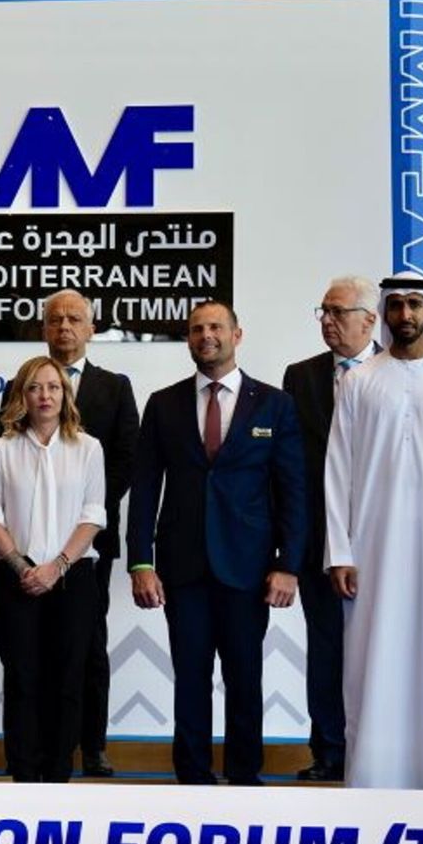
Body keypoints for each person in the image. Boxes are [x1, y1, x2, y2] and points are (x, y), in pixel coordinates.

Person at [127, 300, 306, 786]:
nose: (206, 335)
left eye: (215, 327)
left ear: (236, 335)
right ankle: (193, 780)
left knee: (245, 677)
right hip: (182, 568)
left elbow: (293, 490)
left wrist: (288, 564)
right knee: (190, 678)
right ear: (188, 339)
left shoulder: (274, 404)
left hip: (249, 569)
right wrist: (141, 562)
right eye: (196, 329)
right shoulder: (163, 404)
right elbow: (144, 488)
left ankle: (245, 779)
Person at [325, 272, 423, 789]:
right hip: (373, 551)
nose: (405, 314)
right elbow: (338, 470)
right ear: (383, 313)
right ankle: (374, 778)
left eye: (414, 304)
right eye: (396, 305)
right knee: (374, 661)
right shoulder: (360, 381)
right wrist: (339, 551)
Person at [0, 290, 137, 777]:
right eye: (55, 319)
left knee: (86, 653)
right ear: (44, 329)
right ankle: (27, 758)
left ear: (92, 328)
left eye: (75, 318)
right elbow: (0, 480)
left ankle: (89, 747)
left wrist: (74, 534)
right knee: (26, 666)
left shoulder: (114, 388)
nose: (65, 327)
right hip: (24, 559)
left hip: (85, 550)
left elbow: (125, 461)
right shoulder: (18, 391)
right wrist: (28, 560)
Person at [0, 357, 105, 782]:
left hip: (74, 579)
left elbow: (93, 516)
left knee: (68, 681)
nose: (44, 395)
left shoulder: (88, 448)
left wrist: (58, 566)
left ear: (65, 395)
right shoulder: (1, 449)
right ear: (21, 396)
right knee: (22, 679)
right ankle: (23, 776)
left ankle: (57, 777)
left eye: (53, 387)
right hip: (16, 580)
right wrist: (22, 567)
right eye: (34, 387)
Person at [282, 275, 379, 783]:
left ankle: (382, 749)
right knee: (326, 649)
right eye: (323, 311)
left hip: (385, 540)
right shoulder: (301, 377)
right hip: (320, 539)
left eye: (338, 312)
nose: (328, 321)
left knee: (384, 648)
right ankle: (330, 752)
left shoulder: (395, 372)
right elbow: (290, 469)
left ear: (370, 320)